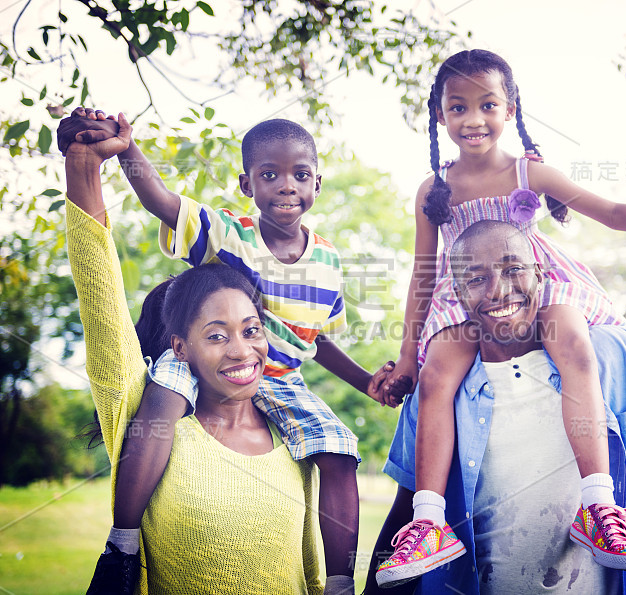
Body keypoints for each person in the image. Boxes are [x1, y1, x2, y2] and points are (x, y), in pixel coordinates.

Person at [374, 49, 626, 587]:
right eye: (457, 107)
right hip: (468, 298)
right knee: (438, 375)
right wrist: (409, 358)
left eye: (487, 104)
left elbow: (613, 213)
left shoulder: (529, 170)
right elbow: (424, 274)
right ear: (439, 114)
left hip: (535, 286)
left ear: (510, 108)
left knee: (574, 343)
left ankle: (598, 506)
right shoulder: (433, 189)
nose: (473, 119)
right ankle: (429, 522)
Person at [58, 109, 407, 595]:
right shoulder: (229, 232)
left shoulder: (327, 261)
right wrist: (127, 151)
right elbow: (161, 200)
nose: (286, 186)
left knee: (341, 449)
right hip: (202, 367)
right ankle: (123, 543)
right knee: (161, 400)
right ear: (247, 184)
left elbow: (317, 339)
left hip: (283, 380)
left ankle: (341, 580)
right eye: (270, 175)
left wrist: (367, 381)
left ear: (318, 184)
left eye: (300, 175)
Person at [366, 217, 626, 594]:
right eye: (476, 278)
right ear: (457, 293)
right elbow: (405, 516)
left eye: (514, 269)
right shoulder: (437, 390)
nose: (499, 290)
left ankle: (599, 509)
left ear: (540, 275)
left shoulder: (616, 356)